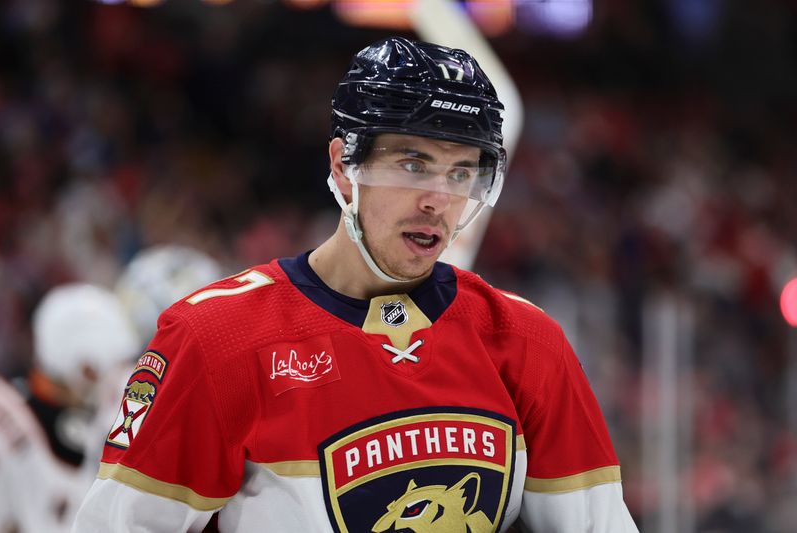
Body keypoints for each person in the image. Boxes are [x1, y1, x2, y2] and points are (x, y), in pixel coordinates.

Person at [73, 37, 639, 532]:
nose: (438, 200)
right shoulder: (215, 339)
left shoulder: (527, 343)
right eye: (414, 165)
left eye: (462, 172)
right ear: (344, 165)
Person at [0, 283, 140, 532]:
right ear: (84, 368)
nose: (118, 376)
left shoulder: (95, 420)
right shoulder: (8, 428)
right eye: (110, 365)